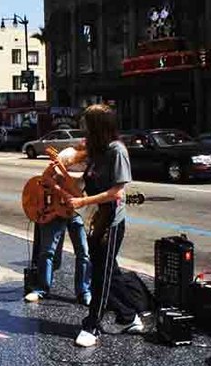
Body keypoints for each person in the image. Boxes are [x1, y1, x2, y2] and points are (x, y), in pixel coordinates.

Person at [64, 105, 140, 347]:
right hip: (96, 220)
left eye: (86, 123)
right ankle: (130, 315)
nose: (82, 127)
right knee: (108, 271)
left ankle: (93, 325)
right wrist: (61, 174)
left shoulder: (117, 151)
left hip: (112, 222)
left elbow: (117, 191)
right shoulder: (96, 151)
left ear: (98, 126)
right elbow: (83, 184)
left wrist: (83, 201)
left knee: (100, 275)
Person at [24, 145, 92, 306]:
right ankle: (42, 289)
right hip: (56, 208)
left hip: (77, 211)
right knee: (47, 252)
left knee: (84, 252)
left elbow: (82, 191)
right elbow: (45, 177)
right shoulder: (67, 155)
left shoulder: (94, 162)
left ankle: (84, 291)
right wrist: (61, 192)